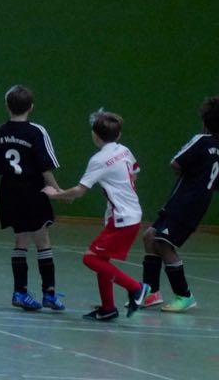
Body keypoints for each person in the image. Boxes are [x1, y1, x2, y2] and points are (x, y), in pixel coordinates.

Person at [42, 111, 149, 321]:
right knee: (101, 259)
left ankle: (136, 288)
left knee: (90, 259)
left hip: (123, 218)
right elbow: (134, 173)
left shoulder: (99, 160)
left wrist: (55, 195)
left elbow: (79, 191)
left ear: (95, 135)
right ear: (118, 135)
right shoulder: (124, 150)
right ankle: (108, 308)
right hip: (130, 213)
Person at [138, 96, 219, 313]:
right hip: (195, 202)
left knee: (163, 243)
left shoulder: (202, 140)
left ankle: (184, 295)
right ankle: (151, 293)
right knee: (149, 236)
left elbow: (175, 163)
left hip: (185, 202)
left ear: (205, 121)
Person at [0, 85, 65, 311]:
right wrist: (58, 191)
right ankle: (49, 294)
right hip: (32, 190)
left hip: (8, 190)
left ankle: (20, 292)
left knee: (20, 240)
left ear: (7, 105)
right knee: (43, 241)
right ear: (31, 107)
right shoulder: (36, 131)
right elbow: (45, 167)